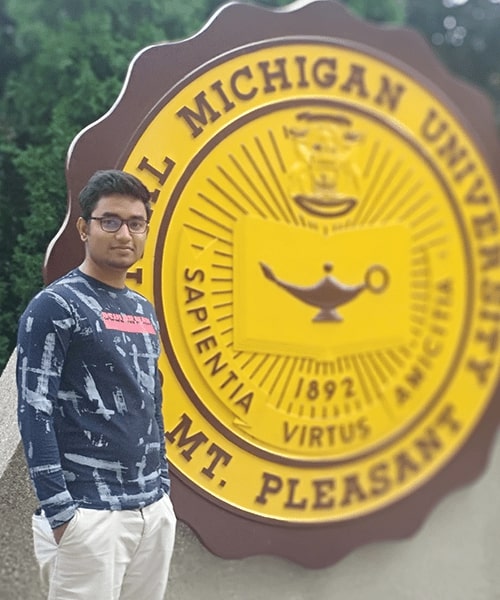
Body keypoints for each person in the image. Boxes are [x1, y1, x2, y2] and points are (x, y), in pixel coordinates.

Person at [16, 169, 176, 600]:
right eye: (110, 221)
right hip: (89, 514)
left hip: (152, 511)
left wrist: (162, 490)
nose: (124, 233)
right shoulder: (55, 305)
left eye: (136, 223)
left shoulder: (142, 310)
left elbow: (151, 401)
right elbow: (35, 410)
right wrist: (62, 513)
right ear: (84, 228)